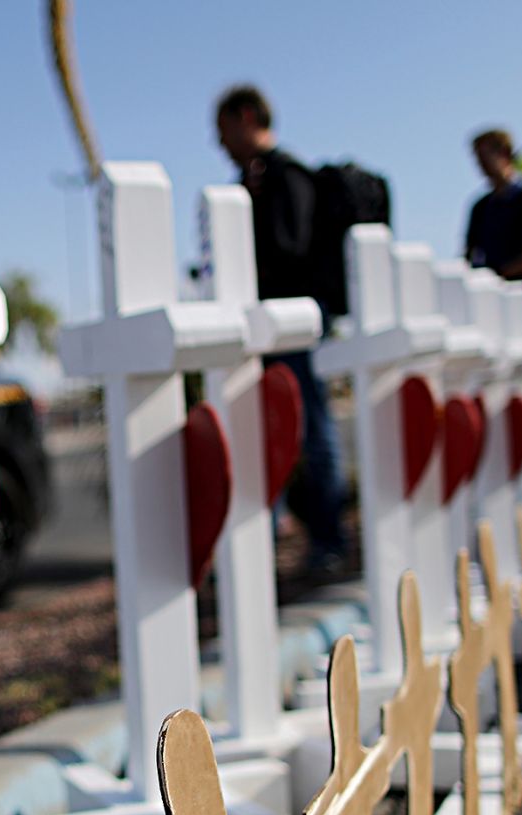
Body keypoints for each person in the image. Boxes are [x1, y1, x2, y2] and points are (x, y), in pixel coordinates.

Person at [215, 84, 349, 577]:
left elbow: (290, 248)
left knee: (312, 432)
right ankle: (273, 537)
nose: (221, 144)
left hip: (292, 328)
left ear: (247, 117)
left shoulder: (287, 175)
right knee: (267, 435)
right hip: (263, 332)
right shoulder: (255, 178)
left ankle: (329, 541)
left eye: (224, 129)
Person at [464, 128, 522, 293]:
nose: (481, 165)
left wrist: (495, 277)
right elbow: (469, 256)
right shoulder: (481, 207)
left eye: (485, 156)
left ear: (505, 154)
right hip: (488, 298)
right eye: (478, 159)